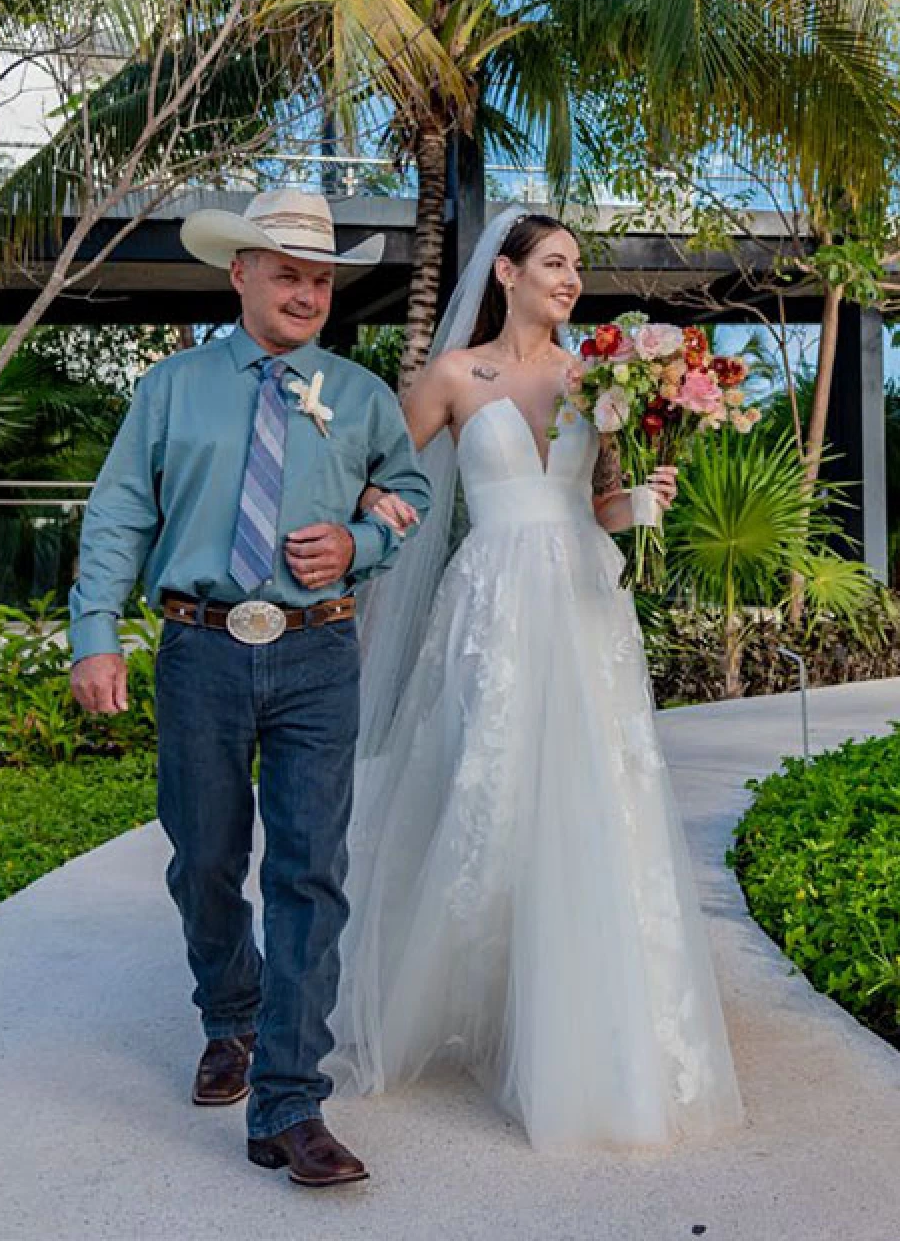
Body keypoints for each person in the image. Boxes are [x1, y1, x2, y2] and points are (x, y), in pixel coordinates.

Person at [310, 209, 744, 1150]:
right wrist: (368, 510)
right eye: (554, 263)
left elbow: (595, 507)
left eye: (577, 266)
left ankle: (587, 1032)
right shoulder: (454, 377)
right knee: (487, 797)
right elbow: (381, 474)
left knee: (595, 800)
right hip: (494, 610)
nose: (571, 279)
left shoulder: (599, 375)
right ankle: (458, 999)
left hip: (586, 605)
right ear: (504, 273)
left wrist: (641, 504)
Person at [68, 189, 431, 1189]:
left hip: (320, 653)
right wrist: (94, 635)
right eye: (288, 273)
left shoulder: (359, 395)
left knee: (310, 869)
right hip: (202, 650)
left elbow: (415, 494)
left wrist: (358, 541)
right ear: (241, 275)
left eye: (321, 277)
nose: (309, 291)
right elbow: (116, 515)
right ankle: (229, 1016)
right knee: (206, 857)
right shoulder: (172, 389)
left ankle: (289, 1100)